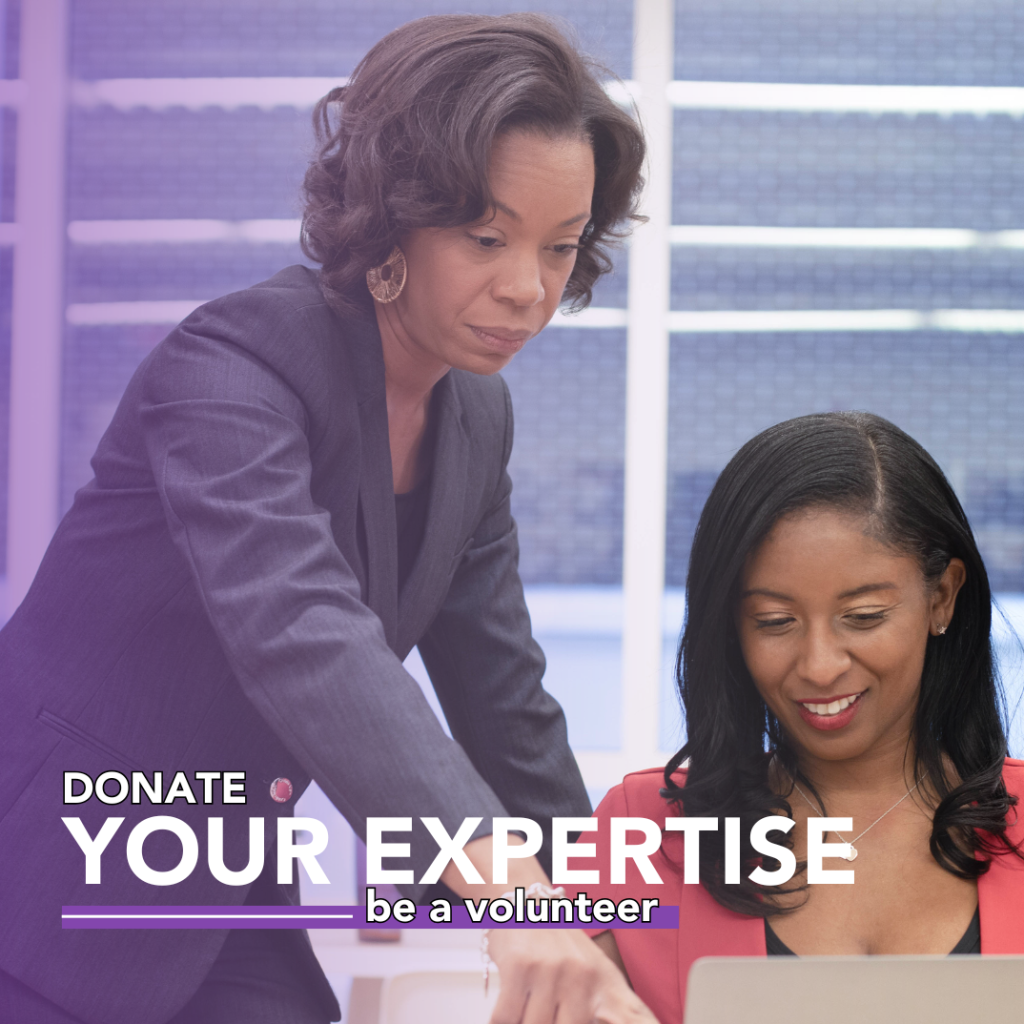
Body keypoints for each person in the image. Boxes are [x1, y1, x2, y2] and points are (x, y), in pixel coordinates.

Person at [0, 14, 653, 1024]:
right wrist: (503, 885)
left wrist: (601, 935)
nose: (526, 288)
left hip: (213, 880)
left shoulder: (474, 416)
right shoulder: (228, 367)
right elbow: (304, 633)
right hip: (42, 872)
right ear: (394, 217)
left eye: (559, 247)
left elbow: (503, 701)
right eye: (486, 238)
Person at [555, 412, 1024, 1024]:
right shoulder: (638, 830)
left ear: (942, 597)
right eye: (775, 621)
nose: (820, 666)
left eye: (864, 616)